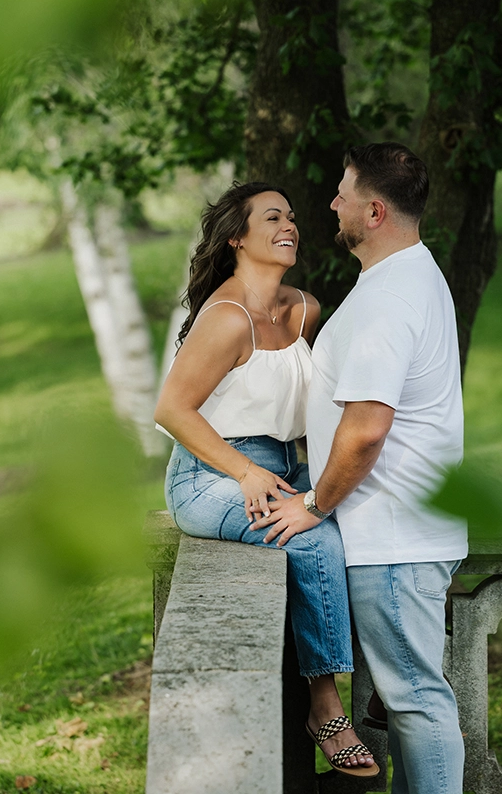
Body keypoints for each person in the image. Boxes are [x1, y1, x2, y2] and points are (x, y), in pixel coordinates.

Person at [251, 143, 468, 794]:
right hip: (398, 534)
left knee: (417, 703)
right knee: (405, 707)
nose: (331, 202)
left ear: (374, 211)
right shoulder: (405, 276)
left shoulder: (390, 297)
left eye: (343, 193)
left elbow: (368, 427)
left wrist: (315, 504)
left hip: (394, 540)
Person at [153, 181, 379, 778]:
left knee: (365, 513)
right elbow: (171, 410)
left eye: (292, 216)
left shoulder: (303, 308)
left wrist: (314, 476)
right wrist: (247, 471)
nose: (290, 226)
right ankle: (326, 704)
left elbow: (306, 409)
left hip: (283, 464)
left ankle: (388, 682)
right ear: (236, 239)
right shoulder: (226, 318)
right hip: (210, 476)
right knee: (310, 536)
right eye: (272, 217)